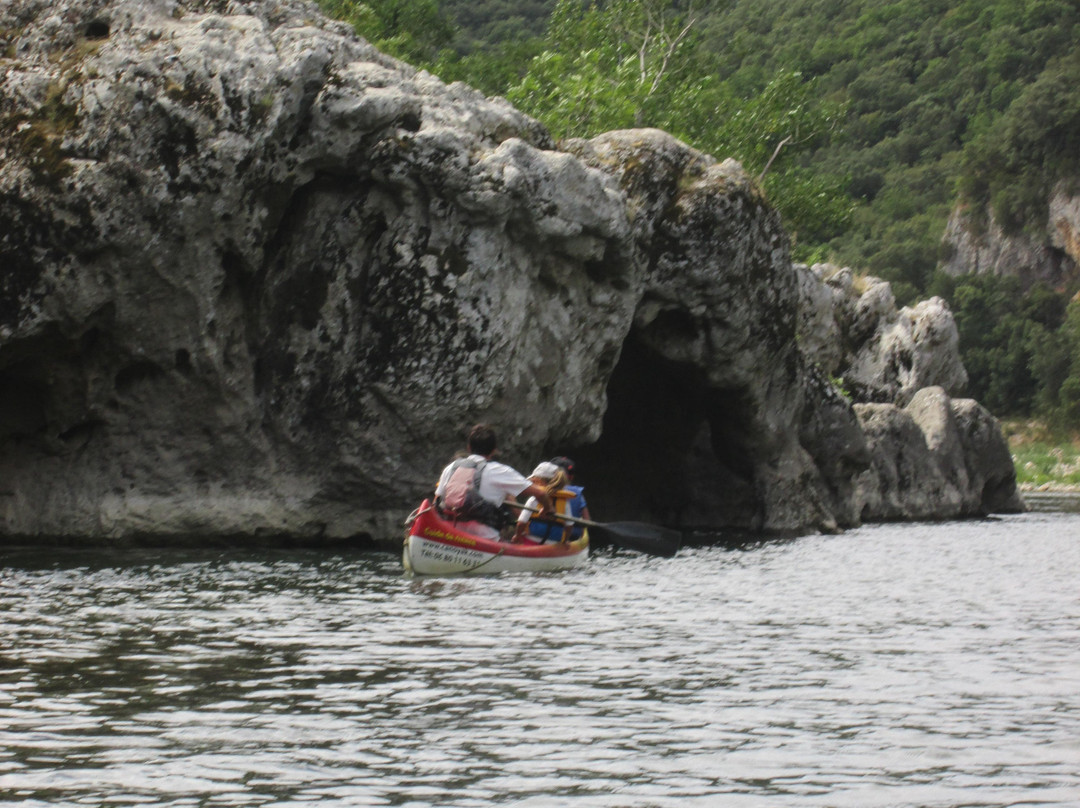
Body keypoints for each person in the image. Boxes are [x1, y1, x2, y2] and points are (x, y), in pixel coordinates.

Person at [434, 424, 552, 540]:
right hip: (484, 536)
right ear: (494, 450)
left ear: (469, 447)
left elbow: (437, 500)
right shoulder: (501, 471)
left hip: (450, 531)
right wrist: (547, 509)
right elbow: (540, 494)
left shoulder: (452, 467)